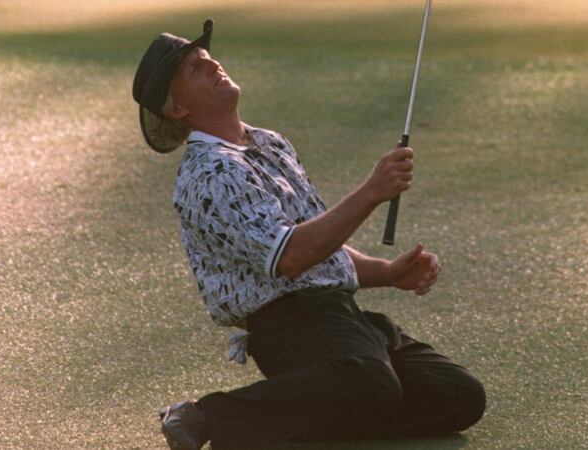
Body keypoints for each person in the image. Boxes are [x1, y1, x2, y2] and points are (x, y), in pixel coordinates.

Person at [132, 19, 486, 450]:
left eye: (207, 58)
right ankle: (206, 415)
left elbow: (319, 243)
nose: (212, 65)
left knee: (456, 396)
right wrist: (373, 191)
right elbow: (291, 257)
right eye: (194, 68)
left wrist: (388, 272)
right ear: (178, 110)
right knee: (371, 382)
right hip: (290, 326)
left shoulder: (270, 143)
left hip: (343, 317)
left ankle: (291, 421)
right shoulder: (210, 172)